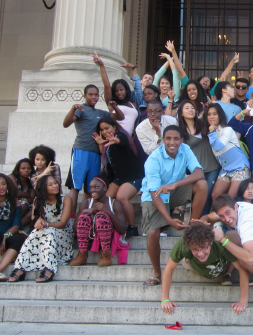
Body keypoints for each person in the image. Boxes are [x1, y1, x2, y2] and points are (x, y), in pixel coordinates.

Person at [140, 125, 207, 285]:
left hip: (173, 190)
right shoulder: (154, 159)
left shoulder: (185, 149)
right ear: (162, 140)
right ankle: (156, 273)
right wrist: (169, 221)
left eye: (176, 138)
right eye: (168, 138)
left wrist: (174, 185)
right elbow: (155, 193)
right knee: (152, 234)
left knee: (202, 184)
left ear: (181, 140)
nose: (172, 142)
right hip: (154, 195)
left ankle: (193, 226)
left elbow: (199, 173)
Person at [161, 224, 250, 315]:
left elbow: (242, 269)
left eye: (204, 247)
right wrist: (165, 300)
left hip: (221, 265)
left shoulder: (220, 244)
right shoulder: (183, 244)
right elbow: (169, 268)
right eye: (195, 249)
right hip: (193, 265)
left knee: (236, 256)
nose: (200, 253)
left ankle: (228, 273)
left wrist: (243, 300)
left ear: (211, 242)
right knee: (186, 261)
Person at [9, 175, 73, 282]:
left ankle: (49, 269)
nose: (55, 186)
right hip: (46, 234)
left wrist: (46, 225)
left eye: (55, 183)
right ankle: (20, 268)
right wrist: (39, 222)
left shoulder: (66, 199)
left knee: (49, 231)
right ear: (44, 188)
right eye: (50, 185)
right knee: (34, 233)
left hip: (63, 236)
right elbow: (37, 221)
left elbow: (62, 224)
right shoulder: (38, 201)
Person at [63, 84, 110, 214]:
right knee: (75, 187)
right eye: (90, 94)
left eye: (96, 94)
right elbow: (66, 124)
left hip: (95, 154)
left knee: (90, 189)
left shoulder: (101, 113)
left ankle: (83, 216)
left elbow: (118, 117)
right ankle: (71, 217)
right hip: (80, 151)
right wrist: (73, 110)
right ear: (85, 96)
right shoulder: (81, 109)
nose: (93, 97)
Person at [94, 116, 144, 239]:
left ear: (115, 127)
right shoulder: (107, 144)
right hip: (119, 178)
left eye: (107, 128)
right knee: (105, 199)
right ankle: (106, 225)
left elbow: (120, 141)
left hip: (133, 175)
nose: (105, 132)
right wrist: (102, 145)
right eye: (102, 130)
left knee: (121, 197)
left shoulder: (121, 136)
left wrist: (115, 141)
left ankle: (132, 227)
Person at [69, 176, 127, 267]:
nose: (92, 190)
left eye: (96, 187)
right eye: (91, 187)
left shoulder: (115, 203)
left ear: (105, 188)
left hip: (109, 240)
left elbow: (123, 229)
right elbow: (75, 229)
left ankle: (106, 255)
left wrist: (107, 212)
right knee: (85, 216)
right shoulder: (86, 203)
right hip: (90, 239)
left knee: (101, 216)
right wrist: (85, 212)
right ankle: (82, 255)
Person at [177, 101, 221, 215]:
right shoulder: (180, 131)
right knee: (202, 194)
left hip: (213, 165)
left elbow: (217, 120)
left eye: (192, 107)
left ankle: (202, 222)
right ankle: (198, 223)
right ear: (181, 113)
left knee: (208, 194)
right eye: (187, 108)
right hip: (196, 169)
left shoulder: (202, 123)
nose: (191, 110)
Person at [204, 104, 251, 199]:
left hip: (240, 168)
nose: (212, 117)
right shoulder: (210, 132)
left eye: (215, 114)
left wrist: (212, 132)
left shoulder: (227, 129)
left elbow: (218, 147)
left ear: (220, 115)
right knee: (215, 195)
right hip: (226, 169)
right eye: (209, 114)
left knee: (231, 197)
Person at [10, 158, 34, 227]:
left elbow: (32, 198)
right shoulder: (12, 177)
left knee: (35, 210)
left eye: (29, 168)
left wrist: (27, 196)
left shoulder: (30, 182)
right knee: (23, 205)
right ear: (18, 169)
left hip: (26, 204)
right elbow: (15, 192)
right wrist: (28, 195)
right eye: (23, 168)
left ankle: (17, 227)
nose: (26, 170)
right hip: (11, 202)